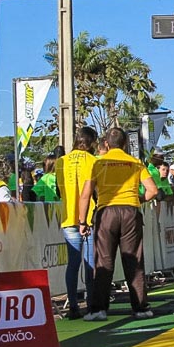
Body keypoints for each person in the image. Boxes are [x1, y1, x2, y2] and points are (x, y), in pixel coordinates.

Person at [78, 127, 158, 321]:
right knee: (134, 260)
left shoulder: (98, 163)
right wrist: (138, 199)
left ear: (106, 144)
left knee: (104, 261)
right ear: (124, 144)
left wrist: (82, 222)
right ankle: (140, 308)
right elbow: (153, 191)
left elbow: (86, 195)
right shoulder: (135, 162)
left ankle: (99, 310)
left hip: (106, 212)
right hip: (130, 210)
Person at [55, 126, 98, 319]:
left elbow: (58, 191)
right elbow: (95, 192)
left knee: (73, 264)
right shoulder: (93, 161)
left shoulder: (60, 162)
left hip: (68, 217)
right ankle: (91, 304)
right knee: (90, 264)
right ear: (91, 142)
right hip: (87, 218)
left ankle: (73, 305)